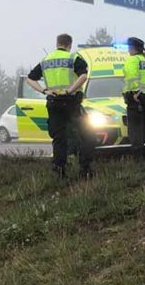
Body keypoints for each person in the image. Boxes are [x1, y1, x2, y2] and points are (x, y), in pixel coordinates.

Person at [26, 33, 94, 178]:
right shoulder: (73, 57)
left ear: (57, 43)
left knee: (59, 138)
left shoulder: (46, 60)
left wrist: (44, 90)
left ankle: (59, 171)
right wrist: (70, 90)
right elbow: (83, 75)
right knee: (87, 135)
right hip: (71, 102)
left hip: (53, 103)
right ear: (69, 44)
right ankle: (85, 169)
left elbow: (30, 79)